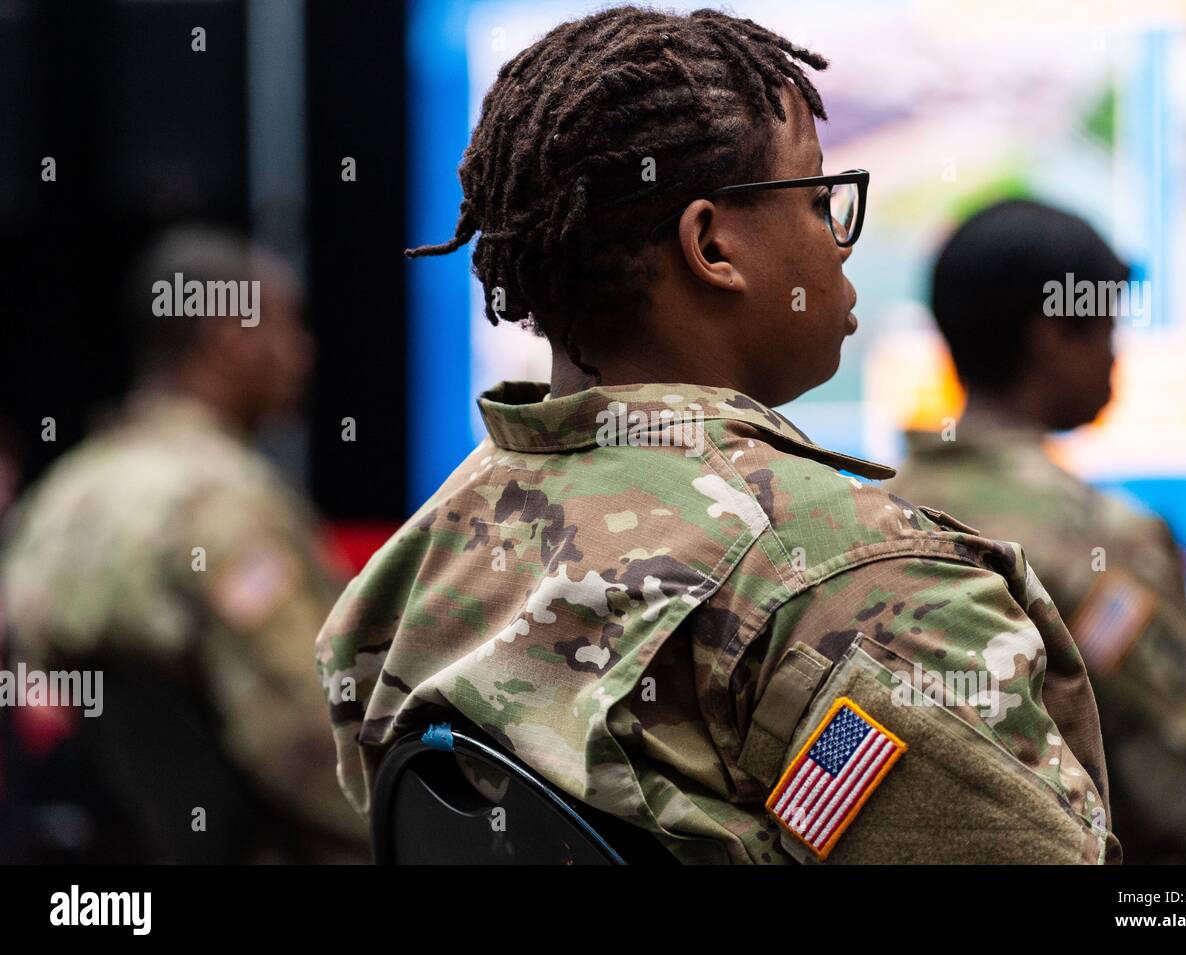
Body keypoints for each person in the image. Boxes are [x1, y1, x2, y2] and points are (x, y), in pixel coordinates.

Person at [316, 6, 1120, 864]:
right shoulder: (854, 578)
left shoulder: (411, 572)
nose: (839, 243)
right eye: (817, 200)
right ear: (711, 245)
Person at [891, 198, 1186, 863]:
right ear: (1052, 337)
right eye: (1107, 325)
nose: (1117, 354)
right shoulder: (1098, 543)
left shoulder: (877, 510)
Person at [1, 226, 368, 863]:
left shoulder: (60, 496)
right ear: (226, 338)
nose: (302, 353)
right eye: (285, 327)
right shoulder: (223, 505)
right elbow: (303, 741)